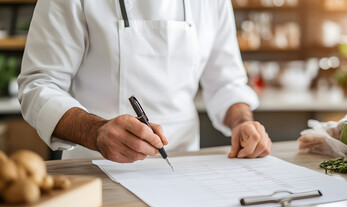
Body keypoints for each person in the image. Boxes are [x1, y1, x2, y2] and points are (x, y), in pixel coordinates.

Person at [17, 0, 272, 162]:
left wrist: (243, 123)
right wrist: (96, 133)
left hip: (186, 169)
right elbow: (39, 84)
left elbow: (226, 82)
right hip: (97, 169)